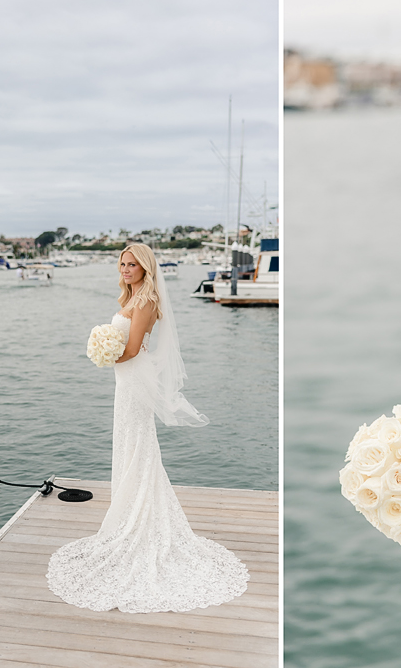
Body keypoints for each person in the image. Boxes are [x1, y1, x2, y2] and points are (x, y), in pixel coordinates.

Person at [46, 243, 249, 613]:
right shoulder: (131, 297)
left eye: (132, 264)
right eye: (122, 264)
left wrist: (103, 354)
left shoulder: (146, 302)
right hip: (124, 381)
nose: (125, 269)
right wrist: (106, 352)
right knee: (129, 445)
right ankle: (129, 516)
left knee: (139, 444)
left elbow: (133, 348)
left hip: (133, 380)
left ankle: (139, 522)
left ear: (145, 268)